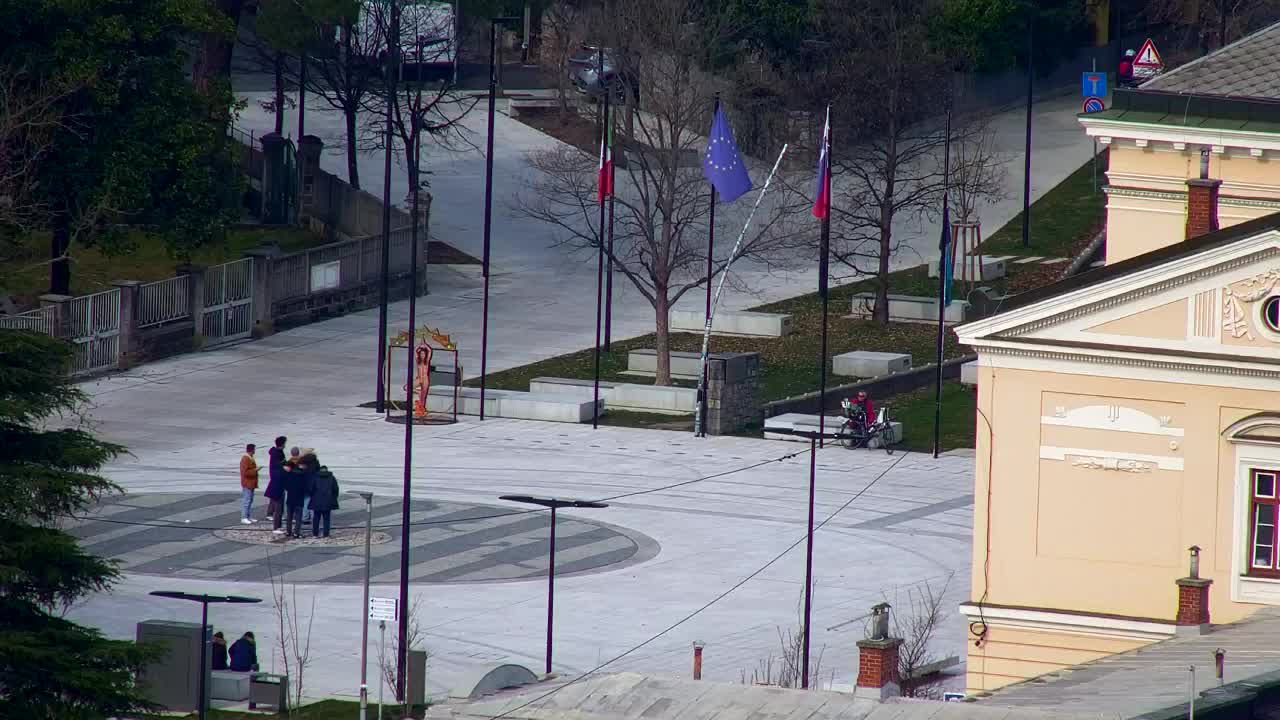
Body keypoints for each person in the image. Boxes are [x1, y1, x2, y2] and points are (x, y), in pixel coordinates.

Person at [308, 458, 340, 538]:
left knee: (316, 518)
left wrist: (313, 497)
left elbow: (311, 489)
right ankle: (326, 534)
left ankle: (315, 533)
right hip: (328, 501)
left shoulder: (315, 477)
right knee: (326, 518)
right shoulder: (332, 478)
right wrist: (333, 498)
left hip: (316, 501)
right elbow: (335, 489)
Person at [283, 451, 311, 539]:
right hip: (299, 499)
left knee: (289, 517)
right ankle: (296, 532)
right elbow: (305, 488)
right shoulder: (304, 476)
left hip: (290, 498)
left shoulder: (290, 475)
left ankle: (288, 531)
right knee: (298, 517)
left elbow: (286, 486)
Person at [264, 436, 287, 534]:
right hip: (278, 484)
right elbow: (281, 468)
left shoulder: (275, 453)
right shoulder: (277, 455)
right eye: (285, 443)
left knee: (277, 505)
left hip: (276, 483)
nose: (285, 445)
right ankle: (276, 527)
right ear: (282, 444)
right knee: (278, 507)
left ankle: (277, 525)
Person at [239, 444, 259, 525]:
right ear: (252, 450)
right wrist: (255, 470)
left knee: (250, 500)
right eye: (254, 449)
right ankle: (244, 517)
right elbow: (245, 472)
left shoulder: (250, 458)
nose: (255, 451)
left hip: (251, 482)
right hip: (247, 483)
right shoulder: (245, 459)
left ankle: (248, 516)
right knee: (247, 500)